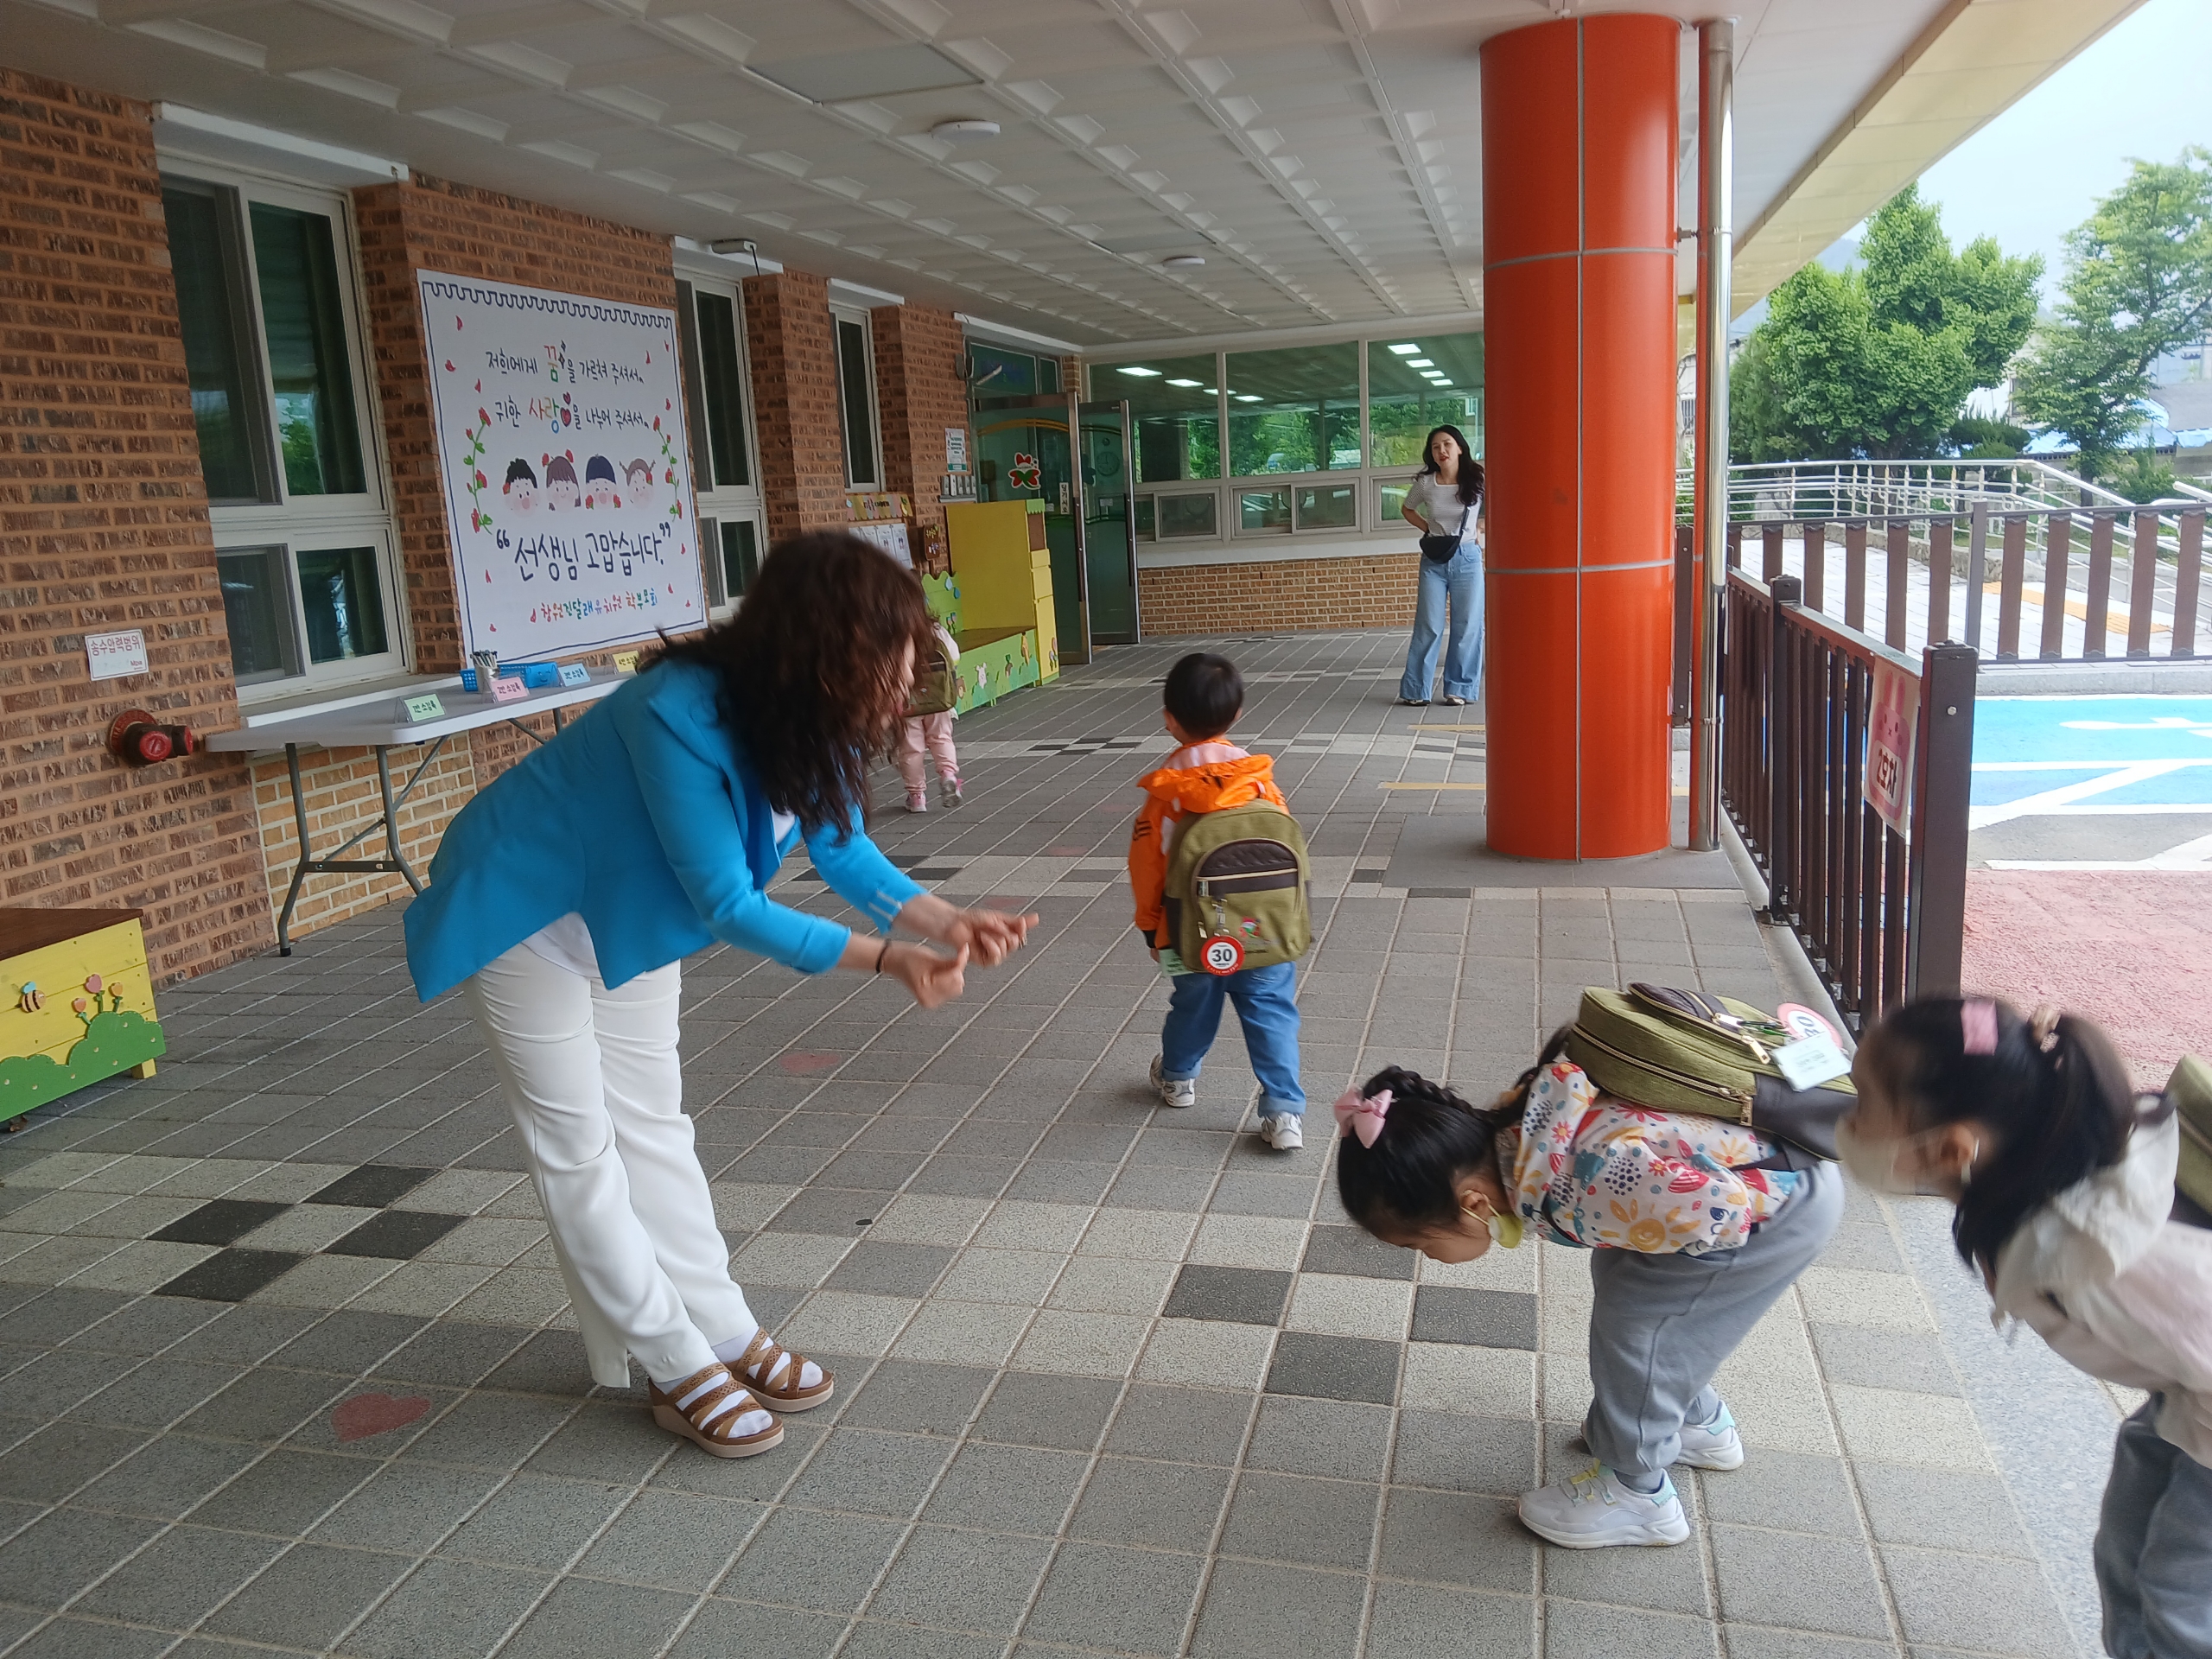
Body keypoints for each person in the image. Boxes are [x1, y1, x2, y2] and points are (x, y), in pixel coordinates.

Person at [404, 531, 1037, 1459]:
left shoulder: (804, 711)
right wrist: (886, 960)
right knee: (580, 1150)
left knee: (655, 1127)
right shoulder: (673, 709)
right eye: (890, 668)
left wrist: (943, 922)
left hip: (625, 916)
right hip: (524, 913)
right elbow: (728, 905)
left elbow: (840, 845)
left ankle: (725, 1332)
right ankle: (672, 1360)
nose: (901, 692)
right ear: (825, 650)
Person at [1333, 1048, 1841, 1548]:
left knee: (1640, 1333)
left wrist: (1674, 1315)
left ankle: (1638, 1494)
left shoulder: (1587, 1181)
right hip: (1764, 1185)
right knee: (1629, 1289)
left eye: (1421, 1243)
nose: (1428, 1257)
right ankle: (1695, 1423)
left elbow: (1720, 1208)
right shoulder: (1526, 1141)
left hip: (1773, 1209)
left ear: (1473, 1204)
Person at [1840, 997, 2212, 1659]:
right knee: (2129, 1550)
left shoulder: (2102, 1257)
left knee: (2180, 1594)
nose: (1848, 1119)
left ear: (1949, 1149)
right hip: (2191, 1390)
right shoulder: (2032, 1188)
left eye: (1863, 1101)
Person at [1129, 652, 1306, 1151]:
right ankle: (1284, 1113)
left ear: (1169, 720)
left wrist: (1150, 927)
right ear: (1238, 716)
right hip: (1267, 931)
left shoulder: (1168, 794)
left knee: (1193, 1006)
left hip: (1193, 935)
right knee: (1271, 1012)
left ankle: (1179, 1077)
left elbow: (1147, 867)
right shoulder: (1259, 780)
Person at [1396, 423, 1485, 708]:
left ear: (1460, 447)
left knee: (1468, 624)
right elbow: (1407, 508)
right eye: (1436, 447)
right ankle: (1416, 690)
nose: (1442, 450)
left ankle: (1459, 688)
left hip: (1468, 557)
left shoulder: (1477, 479)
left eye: (1447, 444)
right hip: (1434, 560)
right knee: (1429, 624)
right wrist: (1427, 528)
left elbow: (1499, 507)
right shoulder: (1426, 483)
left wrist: (1480, 528)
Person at [899, 620, 963, 812]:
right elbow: (954, 656)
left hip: (908, 701)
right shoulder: (935, 629)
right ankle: (948, 775)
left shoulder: (895, 630)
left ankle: (917, 797)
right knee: (941, 737)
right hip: (938, 698)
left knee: (911, 748)